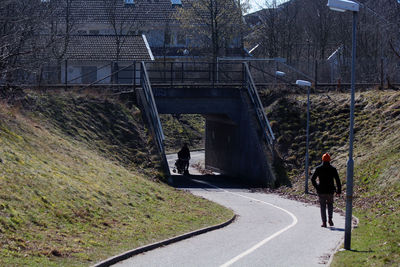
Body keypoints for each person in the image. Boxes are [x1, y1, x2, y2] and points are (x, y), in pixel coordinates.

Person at [311, 153, 341, 228]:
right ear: (329, 160)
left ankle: (324, 222)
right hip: (330, 191)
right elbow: (337, 180)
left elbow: (312, 179)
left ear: (322, 160)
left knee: (323, 207)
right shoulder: (333, 169)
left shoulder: (318, 168)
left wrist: (317, 187)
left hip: (321, 190)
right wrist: (338, 191)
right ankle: (330, 219)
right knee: (330, 205)